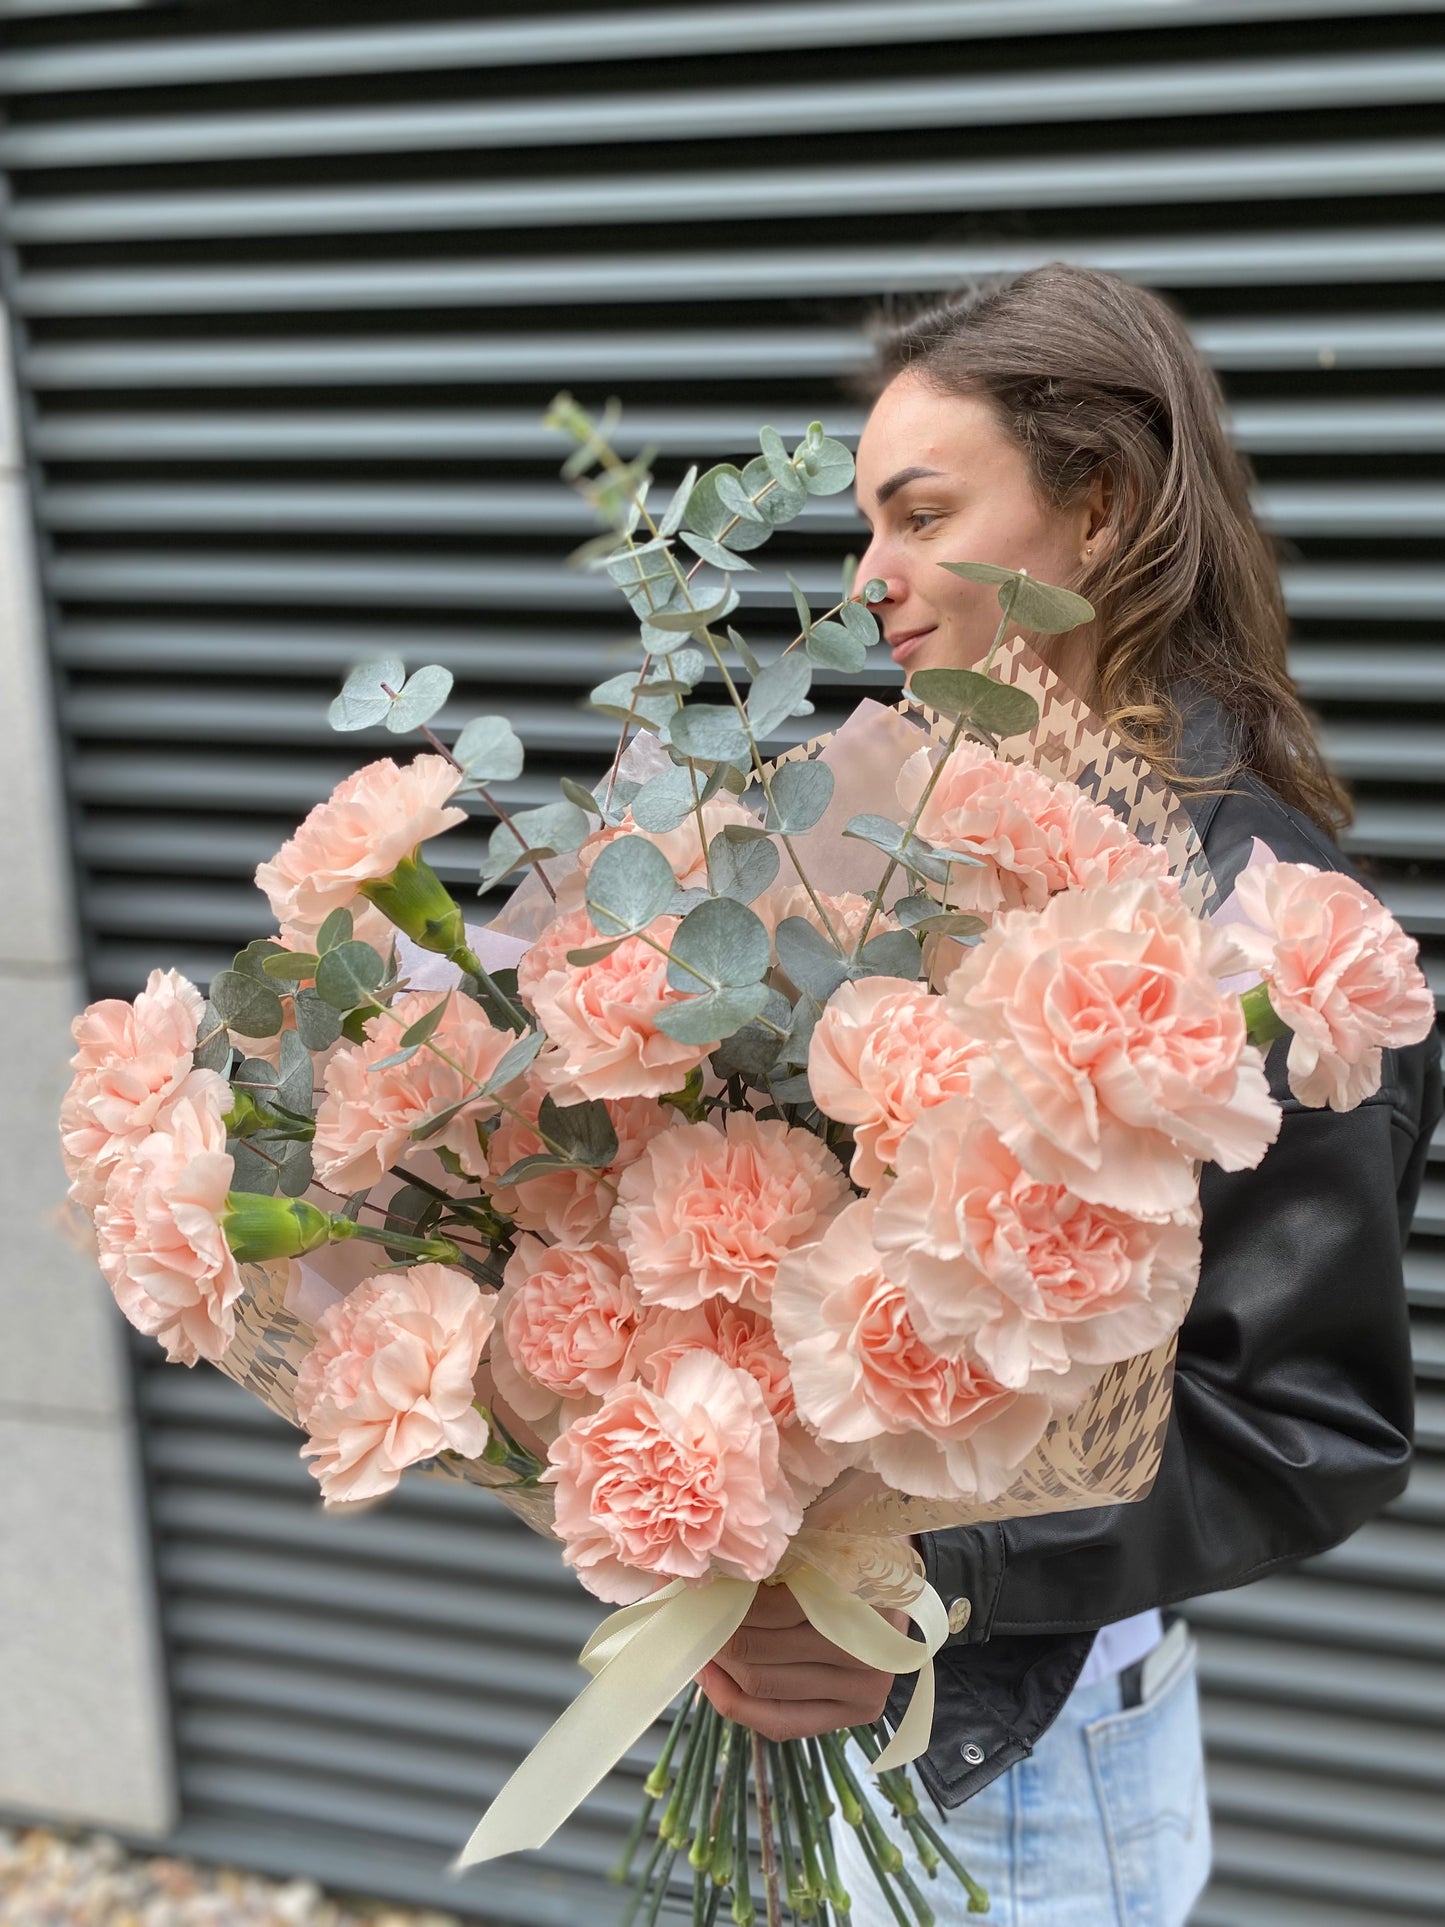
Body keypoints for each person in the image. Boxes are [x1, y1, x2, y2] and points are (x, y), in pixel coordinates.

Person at [695, 263, 1443, 1927]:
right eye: (861, 525)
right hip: (852, 1736)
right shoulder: (895, 852)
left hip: (1011, 1775)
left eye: (918, 513)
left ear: (1095, 509)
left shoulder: (1267, 927)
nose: (866, 574)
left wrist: (908, 1580)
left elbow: (1301, 1427)